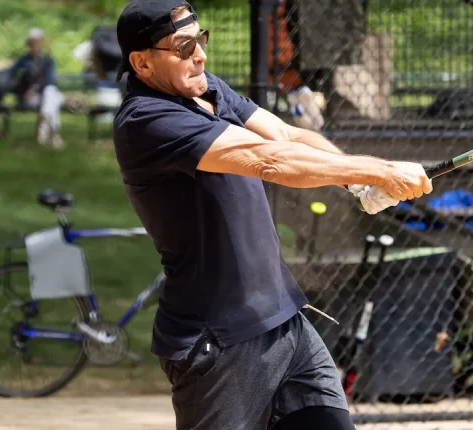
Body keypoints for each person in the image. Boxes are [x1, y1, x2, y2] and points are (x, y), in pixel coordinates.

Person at [111, 1, 432, 429]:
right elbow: (270, 160)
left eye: (200, 40)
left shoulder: (207, 90)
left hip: (285, 322)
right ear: (142, 63)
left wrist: (354, 183)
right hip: (219, 338)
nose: (200, 55)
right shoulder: (147, 119)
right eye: (184, 47)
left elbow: (285, 134)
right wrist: (380, 170)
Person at [0, 28, 65, 148]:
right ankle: (54, 135)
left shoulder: (48, 60)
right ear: (28, 44)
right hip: (32, 98)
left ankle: (43, 131)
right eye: (32, 42)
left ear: (41, 43)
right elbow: (10, 71)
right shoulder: (24, 60)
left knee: (50, 94)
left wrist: (34, 89)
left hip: (43, 94)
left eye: (37, 42)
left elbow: (49, 81)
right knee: (54, 99)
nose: (34, 45)